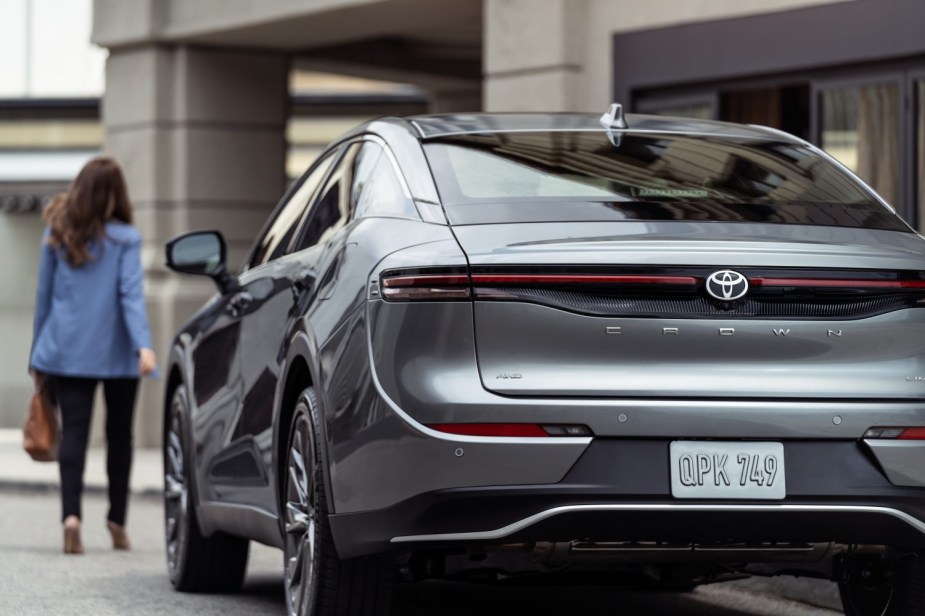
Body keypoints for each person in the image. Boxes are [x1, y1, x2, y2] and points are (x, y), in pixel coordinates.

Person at [29, 157, 157, 555]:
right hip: (118, 352)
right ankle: (116, 521)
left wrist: (37, 355)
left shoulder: (57, 233)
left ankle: (71, 519)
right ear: (116, 194)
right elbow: (130, 295)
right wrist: (144, 344)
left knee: (75, 434)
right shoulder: (126, 239)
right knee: (120, 436)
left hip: (66, 350)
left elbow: (44, 298)